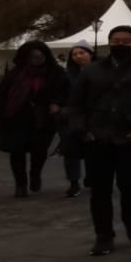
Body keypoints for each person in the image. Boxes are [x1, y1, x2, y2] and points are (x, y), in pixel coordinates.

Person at [70, 25, 131, 256]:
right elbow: (76, 104)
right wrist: (82, 129)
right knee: (100, 190)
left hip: (130, 138)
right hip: (98, 138)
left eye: (126, 41)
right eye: (116, 40)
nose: (120, 45)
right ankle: (103, 235)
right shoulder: (92, 71)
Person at [0, 40, 62, 197]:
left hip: (43, 119)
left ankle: (35, 175)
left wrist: (57, 103)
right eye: (33, 57)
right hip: (17, 118)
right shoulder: (14, 75)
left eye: (40, 56)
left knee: (39, 151)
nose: (37, 59)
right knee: (17, 152)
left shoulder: (56, 73)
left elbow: (65, 92)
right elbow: (0, 96)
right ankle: (20, 184)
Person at [56, 45, 94, 197]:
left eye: (82, 53)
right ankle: (73, 182)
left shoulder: (102, 72)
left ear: (90, 54)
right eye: (74, 54)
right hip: (71, 117)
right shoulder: (67, 75)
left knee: (94, 150)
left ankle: (92, 177)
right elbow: (59, 93)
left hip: (94, 116)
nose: (78, 56)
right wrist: (58, 107)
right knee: (70, 151)